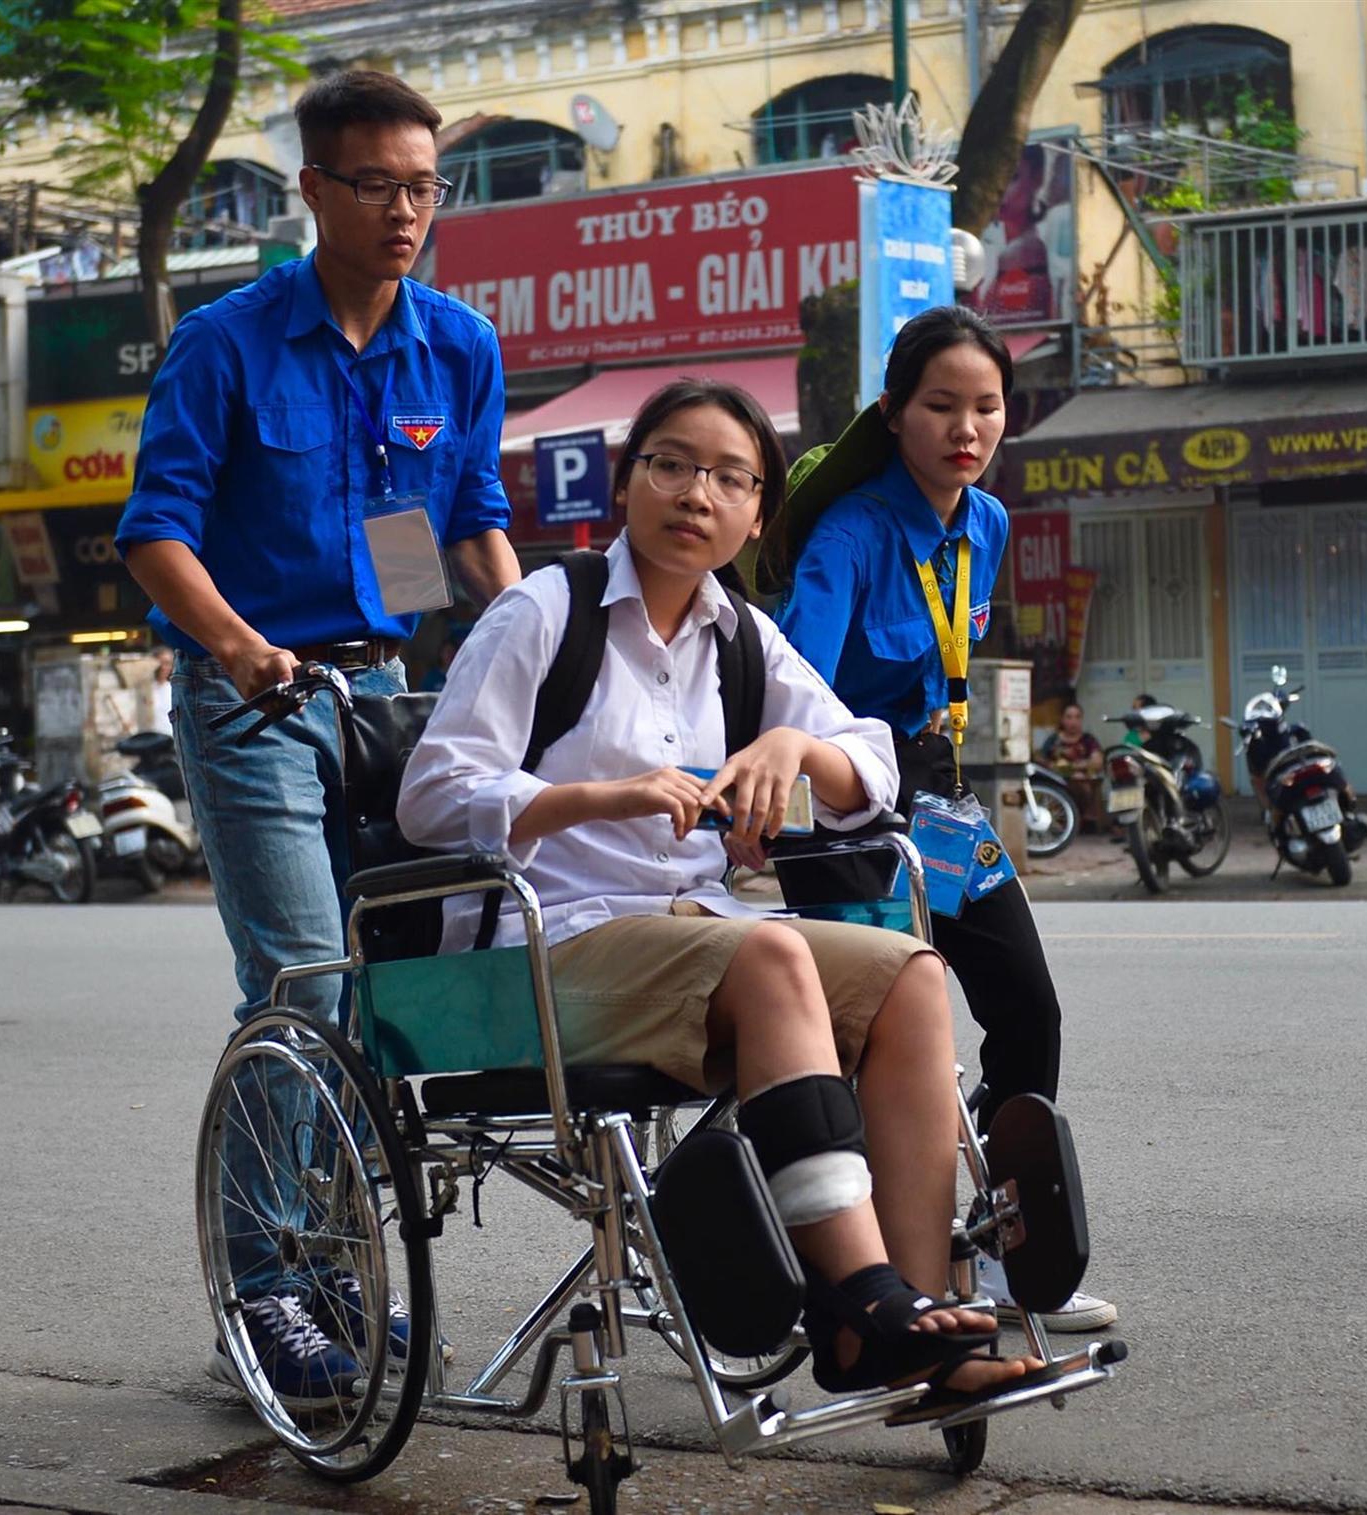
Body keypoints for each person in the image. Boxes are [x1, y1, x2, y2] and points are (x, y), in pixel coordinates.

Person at [399, 379, 1040, 1404]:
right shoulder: (542, 611)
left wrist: (790, 745)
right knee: (774, 948)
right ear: (626, 485)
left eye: (729, 477)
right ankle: (857, 1298)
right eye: (670, 463)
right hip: (547, 948)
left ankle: (921, 1319)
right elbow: (431, 794)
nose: (697, 492)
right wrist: (594, 798)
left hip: (697, 944)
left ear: (756, 513)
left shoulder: (740, 634)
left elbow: (868, 764)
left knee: (909, 973)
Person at [116, 68, 519, 1407]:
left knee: (412, 991)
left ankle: (346, 1267)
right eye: (379, 186)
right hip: (256, 701)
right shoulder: (227, 344)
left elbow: (464, 528)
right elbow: (156, 534)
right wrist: (239, 650)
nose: (407, 211)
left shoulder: (457, 345)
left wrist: (540, 652)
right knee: (304, 981)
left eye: (425, 186)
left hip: (396, 702)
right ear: (315, 191)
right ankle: (272, 1291)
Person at [772, 305, 1116, 1332]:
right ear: (892, 411)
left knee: (1024, 1009)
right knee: (855, 1050)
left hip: (940, 802)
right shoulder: (849, 533)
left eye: (985, 408)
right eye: (938, 407)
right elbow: (795, 688)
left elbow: (942, 668)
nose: (964, 428)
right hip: (840, 805)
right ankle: (821, 1264)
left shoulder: (989, 523)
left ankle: (998, 1253)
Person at [1040, 700, 1105, 831]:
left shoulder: (1088, 740)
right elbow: (1041, 759)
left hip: (1083, 782)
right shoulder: (1053, 740)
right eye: (1069, 717)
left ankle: (1086, 821)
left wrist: (1073, 768)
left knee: (1083, 784)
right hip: (1058, 782)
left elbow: (1097, 761)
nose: (1073, 722)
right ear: (1063, 720)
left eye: (1077, 717)